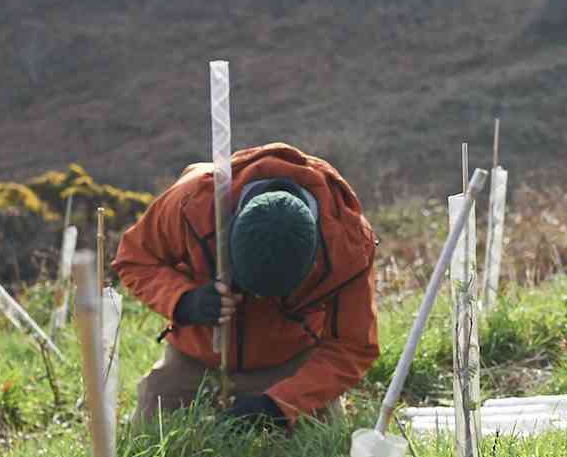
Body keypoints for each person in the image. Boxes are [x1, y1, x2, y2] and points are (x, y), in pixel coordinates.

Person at [112, 142, 379, 427]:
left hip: (289, 361)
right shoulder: (191, 203)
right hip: (195, 354)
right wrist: (185, 300)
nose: (256, 298)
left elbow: (352, 346)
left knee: (322, 445)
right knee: (147, 435)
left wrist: (279, 404)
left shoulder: (348, 246)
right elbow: (135, 259)